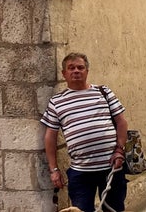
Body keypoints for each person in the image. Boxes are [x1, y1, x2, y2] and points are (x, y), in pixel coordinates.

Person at [41, 52, 128, 212]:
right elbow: (50, 137)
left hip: (111, 167)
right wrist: (54, 170)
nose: (76, 71)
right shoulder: (56, 102)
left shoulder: (104, 92)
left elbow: (121, 123)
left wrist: (119, 150)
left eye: (80, 67)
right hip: (80, 173)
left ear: (87, 71)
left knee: (115, 209)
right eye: (71, 68)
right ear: (64, 74)